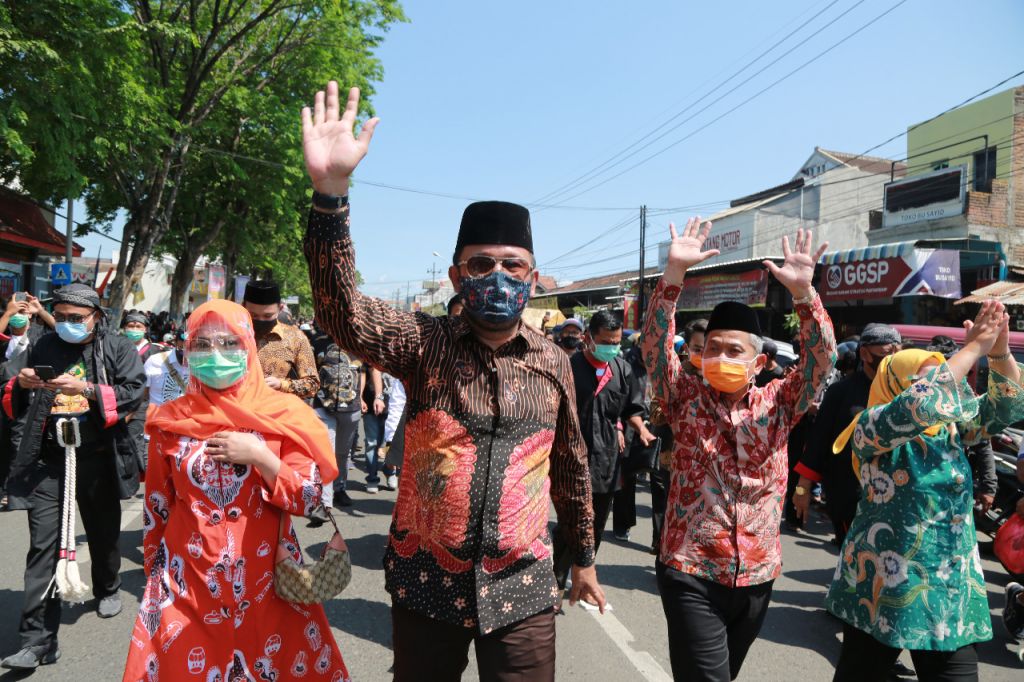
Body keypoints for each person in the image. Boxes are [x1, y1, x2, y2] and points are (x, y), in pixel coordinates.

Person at [302, 81, 603, 681]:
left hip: (521, 585)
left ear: (534, 278)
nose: (497, 277)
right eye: (481, 264)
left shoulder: (552, 360)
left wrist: (585, 560)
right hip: (425, 581)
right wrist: (330, 196)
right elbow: (341, 311)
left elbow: (570, 464)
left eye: (511, 265)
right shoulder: (423, 343)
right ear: (455, 275)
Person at [640, 218, 835, 681]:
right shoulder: (682, 395)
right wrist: (672, 277)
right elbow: (653, 346)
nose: (721, 359)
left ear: (759, 362)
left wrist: (805, 296)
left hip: (757, 575)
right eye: (713, 349)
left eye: (734, 351)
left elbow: (820, 359)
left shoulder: (781, 403)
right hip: (690, 569)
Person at [122, 299, 349, 681]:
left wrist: (262, 457)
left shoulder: (284, 415)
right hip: (187, 580)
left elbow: (309, 499)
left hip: (267, 583)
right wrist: (154, 575)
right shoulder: (171, 420)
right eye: (203, 345)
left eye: (229, 344)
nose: (216, 354)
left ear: (248, 348)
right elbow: (157, 506)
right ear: (188, 352)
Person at [827, 301, 1024, 682]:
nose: (944, 391)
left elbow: (1007, 406)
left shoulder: (953, 430)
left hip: (949, 592)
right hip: (883, 589)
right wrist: (970, 350)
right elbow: (916, 407)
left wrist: (997, 352)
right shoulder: (871, 427)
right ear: (895, 383)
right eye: (926, 379)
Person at [1, 284, 145, 671]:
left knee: (102, 533)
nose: (66, 324)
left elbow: (135, 392)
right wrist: (24, 383)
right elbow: (10, 387)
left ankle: (107, 586)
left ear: (96, 317)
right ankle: (38, 640)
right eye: (60, 316)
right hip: (49, 462)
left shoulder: (118, 348)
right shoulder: (43, 344)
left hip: (97, 458)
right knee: (42, 548)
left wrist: (87, 388)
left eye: (75, 319)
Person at [552, 310, 654, 590]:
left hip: (608, 460)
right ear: (588, 339)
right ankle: (556, 581)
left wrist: (639, 429)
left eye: (616, 341)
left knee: (596, 523)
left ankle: (583, 576)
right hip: (572, 457)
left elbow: (632, 409)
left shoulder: (622, 369)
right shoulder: (569, 368)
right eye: (606, 341)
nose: (612, 346)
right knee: (569, 522)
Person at [792, 323, 902, 545]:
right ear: (864, 353)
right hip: (848, 492)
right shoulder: (841, 392)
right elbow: (817, 442)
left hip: (895, 493)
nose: (892, 361)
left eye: (898, 354)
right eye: (886, 354)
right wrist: (802, 489)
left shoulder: (904, 392)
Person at [242, 280, 319, 399]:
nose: (260, 320)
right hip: (236, 411)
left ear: (280, 308)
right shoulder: (232, 335)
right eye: (254, 316)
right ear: (243, 306)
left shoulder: (296, 337)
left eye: (268, 316)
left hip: (278, 412)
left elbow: (312, 384)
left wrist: (282, 385)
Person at [312, 342, 363, 513]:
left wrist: (363, 397)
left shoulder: (359, 342)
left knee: (342, 453)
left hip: (351, 407)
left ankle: (339, 488)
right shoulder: (316, 339)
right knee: (327, 452)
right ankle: (325, 502)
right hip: (323, 406)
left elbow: (365, 372)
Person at [143, 329, 190, 407]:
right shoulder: (155, 361)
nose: (187, 346)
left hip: (185, 417)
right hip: (157, 416)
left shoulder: (202, 366)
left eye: (192, 342)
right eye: (183, 341)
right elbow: (143, 394)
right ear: (175, 341)